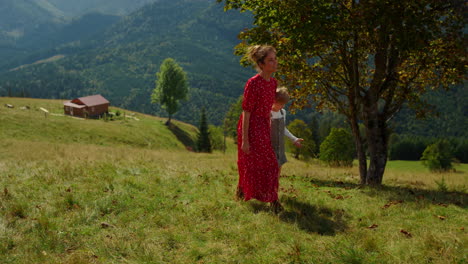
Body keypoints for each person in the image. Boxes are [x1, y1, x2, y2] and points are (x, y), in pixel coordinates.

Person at [236, 45, 282, 213]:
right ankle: (272, 200)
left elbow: (268, 108)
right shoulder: (253, 83)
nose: (275, 62)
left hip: (263, 125)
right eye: (271, 60)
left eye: (275, 58)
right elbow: (246, 111)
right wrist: (245, 140)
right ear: (261, 64)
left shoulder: (273, 83)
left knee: (267, 164)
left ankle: (246, 191)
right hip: (250, 126)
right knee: (263, 163)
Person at [271, 87, 304, 177]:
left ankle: (275, 188)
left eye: (283, 104)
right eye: (280, 104)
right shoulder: (267, 112)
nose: (282, 106)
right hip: (269, 145)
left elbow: (283, 129)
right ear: (273, 101)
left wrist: (294, 139)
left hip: (280, 145)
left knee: (279, 167)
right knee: (270, 169)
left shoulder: (282, 112)